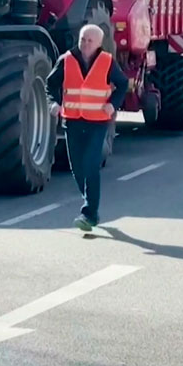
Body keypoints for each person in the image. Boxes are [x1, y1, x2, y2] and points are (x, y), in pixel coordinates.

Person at [47, 24, 129, 231]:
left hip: (98, 121)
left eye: (89, 41)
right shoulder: (66, 60)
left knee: (91, 165)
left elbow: (122, 83)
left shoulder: (107, 61)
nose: (84, 44)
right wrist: (53, 103)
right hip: (72, 120)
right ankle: (90, 203)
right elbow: (50, 83)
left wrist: (113, 104)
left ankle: (89, 214)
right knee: (77, 168)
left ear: (99, 44)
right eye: (82, 39)